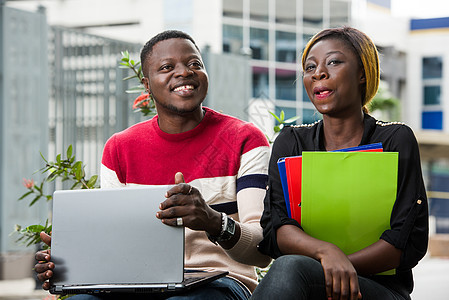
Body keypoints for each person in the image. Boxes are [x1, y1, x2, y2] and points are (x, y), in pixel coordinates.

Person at [34, 30, 272, 299]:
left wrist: (213, 221)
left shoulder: (245, 139)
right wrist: (72, 258)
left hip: (221, 282)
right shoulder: (119, 149)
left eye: (195, 64)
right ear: (147, 86)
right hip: (137, 284)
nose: (185, 72)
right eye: (167, 67)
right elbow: (116, 244)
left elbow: (261, 252)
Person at [251, 26, 429, 300]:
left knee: (291, 268)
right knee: (290, 267)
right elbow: (277, 229)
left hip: (379, 290)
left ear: (362, 73)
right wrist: (327, 253)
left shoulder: (394, 140)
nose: (318, 73)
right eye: (310, 67)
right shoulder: (291, 143)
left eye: (333, 62)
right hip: (308, 277)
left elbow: (405, 241)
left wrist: (340, 268)